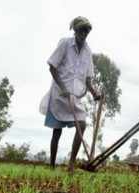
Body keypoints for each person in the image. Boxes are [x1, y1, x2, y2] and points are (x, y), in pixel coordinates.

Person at [39, 16, 100, 174]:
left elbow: (87, 79)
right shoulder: (65, 44)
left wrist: (94, 93)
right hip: (59, 95)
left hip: (75, 96)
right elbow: (52, 67)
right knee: (56, 131)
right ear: (75, 30)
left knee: (82, 124)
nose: (84, 33)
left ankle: (71, 165)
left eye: (87, 30)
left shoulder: (88, 52)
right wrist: (62, 87)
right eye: (81, 30)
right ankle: (52, 166)